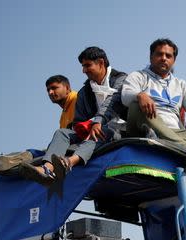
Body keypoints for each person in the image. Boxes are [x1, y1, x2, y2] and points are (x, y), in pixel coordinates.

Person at [17, 47, 128, 183]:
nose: (84, 70)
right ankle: (47, 169)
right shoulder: (84, 92)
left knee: (99, 131)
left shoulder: (121, 79)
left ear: (101, 63)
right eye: (82, 66)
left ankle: (68, 163)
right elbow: (79, 120)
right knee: (62, 133)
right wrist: (82, 127)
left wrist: (97, 121)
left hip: (118, 129)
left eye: (87, 65)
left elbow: (112, 101)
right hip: (92, 131)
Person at [120, 38, 186, 158]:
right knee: (136, 105)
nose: (164, 58)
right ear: (151, 57)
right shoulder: (138, 76)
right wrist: (140, 95)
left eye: (168, 56)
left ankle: (169, 143)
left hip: (175, 132)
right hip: (145, 129)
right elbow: (125, 96)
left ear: (174, 60)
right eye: (159, 54)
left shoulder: (180, 84)